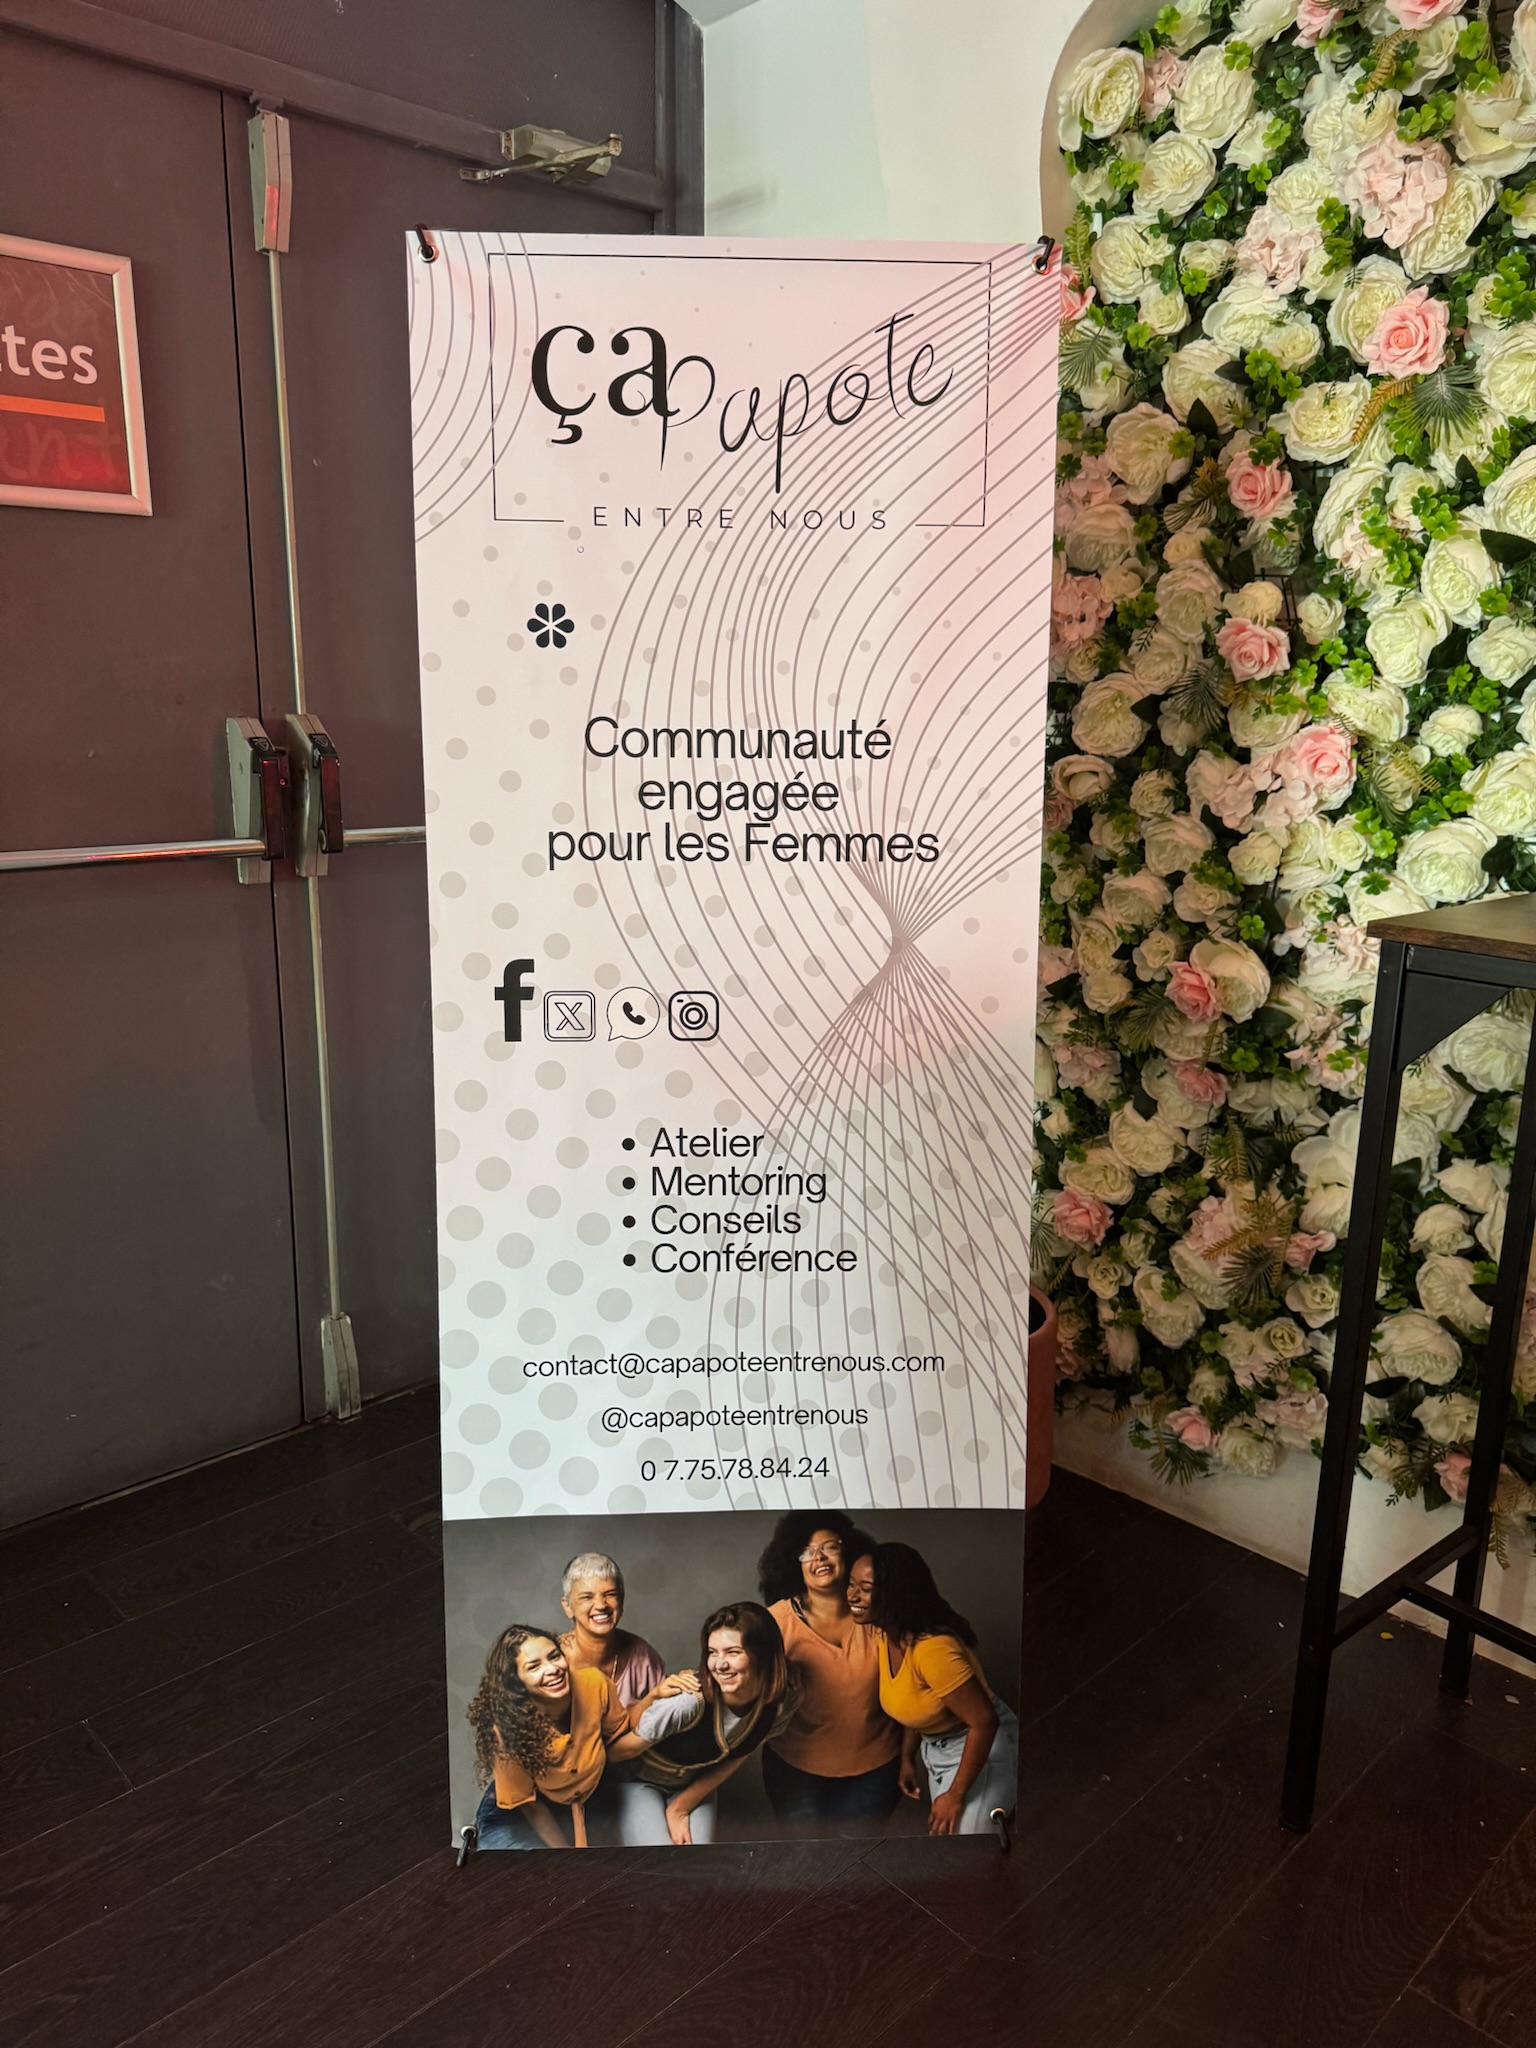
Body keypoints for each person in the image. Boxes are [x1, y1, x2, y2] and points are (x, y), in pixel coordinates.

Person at [757, 1510, 902, 1834]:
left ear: (847, 1551)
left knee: (854, 1859)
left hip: (875, 1770)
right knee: (806, 1859)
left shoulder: (880, 1614)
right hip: (794, 1771)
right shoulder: (775, 1623)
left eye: (829, 1547)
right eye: (807, 1551)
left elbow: (914, 1685)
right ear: (792, 1561)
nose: (819, 1557)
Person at [861, 1541, 1019, 1837]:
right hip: (937, 1751)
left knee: (968, 1843)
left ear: (895, 1594)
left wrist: (955, 1795)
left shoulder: (933, 1650)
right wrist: (907, 1758)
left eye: (865, 1588)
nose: (851, 1595)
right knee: (952, 1842)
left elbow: (985, 1722)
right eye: (851, 1584)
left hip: (982, 1746)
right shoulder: (885, 1635)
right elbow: (916, 1702)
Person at [466, 1622, 653, 1848]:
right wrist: (565, 1856)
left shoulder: (594, 1684)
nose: (552, 1669)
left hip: (575, 1806)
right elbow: (531, 1807)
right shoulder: (506, 1727)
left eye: (554, 1656)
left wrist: (655, 1699)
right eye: (534, 1667)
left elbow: (618, 1734)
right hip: (520, 1813)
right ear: (517, 1682)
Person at [632, 1602, 797, 1844]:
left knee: (698, 1857)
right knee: (660, 1856)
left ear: (762, 1655)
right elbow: (617, 1751)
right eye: (712, 1652)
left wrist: (680, 1808)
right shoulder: (688, 1701)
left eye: (733, 1652)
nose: (720, 1664)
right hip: (638, 1781)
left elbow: (741, 1752)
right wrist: (653, 1695)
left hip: (691, 1784)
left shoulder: (784, 1697)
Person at [557, 1551, 666, 1709]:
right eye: (587, 1597)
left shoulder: (643, 1657)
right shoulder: (553, 1662)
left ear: (621, 1600)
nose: (601, 1605)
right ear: (568, 1607)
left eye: (610, 1594)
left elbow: (663, 1716)